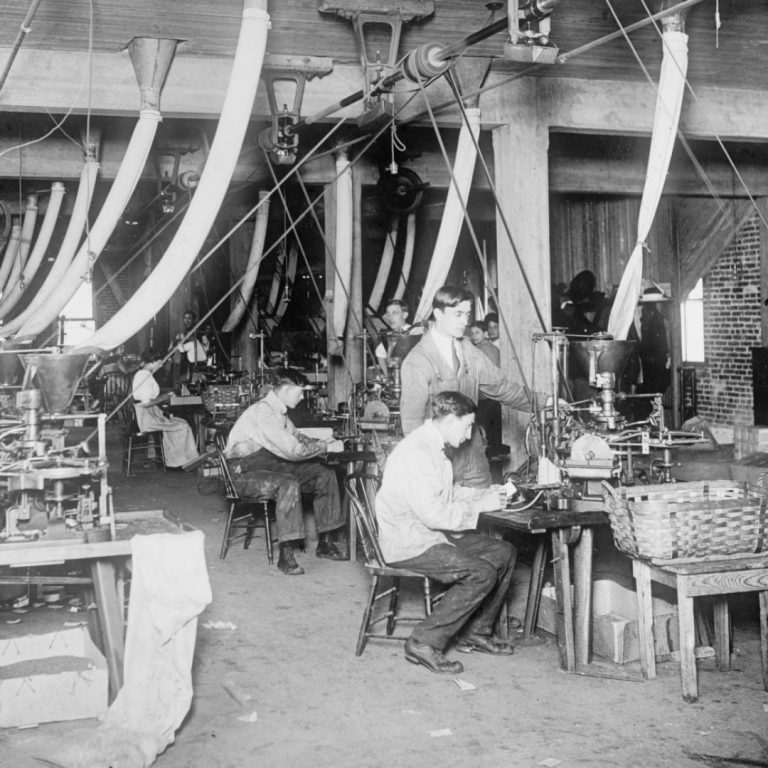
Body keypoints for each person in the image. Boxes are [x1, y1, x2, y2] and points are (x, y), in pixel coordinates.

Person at [376, 391, 516, 675]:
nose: (468, 435)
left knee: (504, 552)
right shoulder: (418, 453)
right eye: (467, 427)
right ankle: (423, 642)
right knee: (481, 573)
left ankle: (476, 631)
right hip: (409, 541)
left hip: (427, 533)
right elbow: (435, 514)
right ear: (450, 420)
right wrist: (479, 508)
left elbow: (445, 494)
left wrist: (482, 494)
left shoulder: (433, 447)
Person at [400, 285, 542, 488]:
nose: (465, 321)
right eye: (458, 314)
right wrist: (423, 466)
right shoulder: (418, 361)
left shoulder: (468, 349)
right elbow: (411, 423)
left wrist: (546, 403)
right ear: (438, 313)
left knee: (486, 510)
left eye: (467, 314)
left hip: (473, 455)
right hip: (437, 459)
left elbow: (501, 388)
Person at [224, 370, 346, 575]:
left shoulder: (278, 411)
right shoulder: (264, 412)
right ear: (287, 390)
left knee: (324, 474)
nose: (302, 397)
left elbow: (296, 436)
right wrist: (326, 448)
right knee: (288, 483)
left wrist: (324, 442)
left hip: (268, 465)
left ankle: (325, 543)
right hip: (243, 473)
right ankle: (286, 554)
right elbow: (293, 451)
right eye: (300, 393)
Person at [132, 350, 200, 468]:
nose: (162, 364)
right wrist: (165, 396)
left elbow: (149, 397)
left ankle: (177, 460)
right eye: (160, 362)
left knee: (181, 422)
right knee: (182, 427)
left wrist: (165, 394)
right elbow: (147, 403)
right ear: (152, 362)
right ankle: (180, 462)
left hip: (149, 414)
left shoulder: (145, 374)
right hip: (146, 417)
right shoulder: (143, 376)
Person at [374, 298, 423, 375]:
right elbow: (379, 353)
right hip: (397, 380)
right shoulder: (391, 335)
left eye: (394, 313)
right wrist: (387, 376)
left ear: (405, 315)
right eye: (388, 314)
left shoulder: (415, 331)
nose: (390, 317)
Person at [169, 309, 210, 384]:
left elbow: (206, 344)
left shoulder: (197, 330)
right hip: (189, 357)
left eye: (189, 318)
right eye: (185, 318)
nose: (187, 320)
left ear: (193, 320)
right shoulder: (187, 330)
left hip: (197, 358)